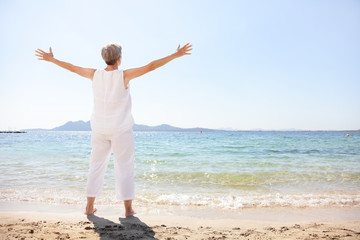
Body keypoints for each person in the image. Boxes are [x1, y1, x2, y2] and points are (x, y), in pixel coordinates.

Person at [35, 42, 192, 216]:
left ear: (105, 59)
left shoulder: (94, 74)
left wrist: (52, 60)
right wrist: (175, 55)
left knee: (95, 166)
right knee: (125, 167)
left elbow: (72, 68)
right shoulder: (123, 75)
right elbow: (151, 66)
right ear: (119, 59)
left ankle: (89, 207)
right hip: (121, 130)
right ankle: (128, 209)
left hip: (100, 129)